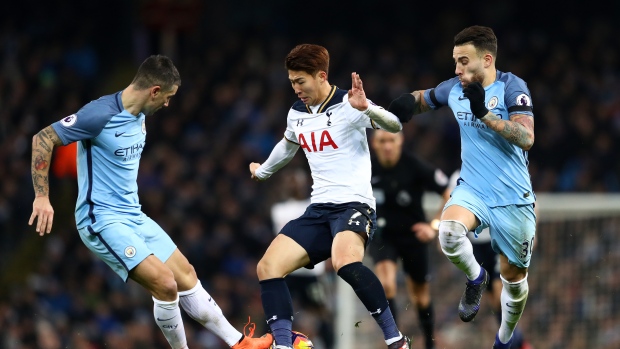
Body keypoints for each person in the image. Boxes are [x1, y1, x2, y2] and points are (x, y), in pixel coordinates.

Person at [28, 54, 273, 349]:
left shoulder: (141, 115)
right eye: (167, 97)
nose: (167, 104)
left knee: (186, 274)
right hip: (100, 219)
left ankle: (239, 343)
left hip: (133, 216)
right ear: (154, 91)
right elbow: (42, 138)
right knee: (165, 284)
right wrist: (42, 196)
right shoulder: (98, 114)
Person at [249, 44, 411, 349]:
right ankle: (283, 345)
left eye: (301, 82)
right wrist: (264, 172)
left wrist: (368, 108)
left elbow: (395, 125)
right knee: (267, 267)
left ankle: (396, 339)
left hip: (354, 205)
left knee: (344, 262)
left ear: (321, 76)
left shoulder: (349, 104)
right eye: (292, 83)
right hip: (319, 209)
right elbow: (288, 145)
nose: (296, 89)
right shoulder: (297, 113)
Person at [388, 25, 536, 349]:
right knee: (449, 232)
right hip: (473, 188)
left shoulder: (512, 87)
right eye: (455, 61)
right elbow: (424, 99)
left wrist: (484, 113)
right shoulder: (454, 88)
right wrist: (400, 106)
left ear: (486, 59)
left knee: (513, 278)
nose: (456, 69)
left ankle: (505, 338)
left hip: (513, 197)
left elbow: (527, 137)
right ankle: (476, 276)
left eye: (463, 61)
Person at [368, 129, 451, 349]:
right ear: (374, 143)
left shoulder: (414, 165)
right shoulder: (365, 168)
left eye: (391, 140)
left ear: (400, 141)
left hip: (413, 237)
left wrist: (434, 227)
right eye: (382, 141)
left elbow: (450, 194)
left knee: (420, 296)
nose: (387, 145)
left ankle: (429, 341)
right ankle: (395, 343)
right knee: (386, 285)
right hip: (382, 236)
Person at [447, 170, 533, 349]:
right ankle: (512, 339)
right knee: (494, 299)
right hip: (476, 243)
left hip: (499, 237)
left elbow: (530, 198)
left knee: (499, 288)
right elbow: (450, 205)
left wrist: (533, 231)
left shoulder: (504, 169)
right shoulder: (458, 177)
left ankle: (515, 341)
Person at [269, 168, 334, 349]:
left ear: (305, 183)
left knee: (322, 312)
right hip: (287, 272)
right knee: (277, 312)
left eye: (296, 180)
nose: (293, 185)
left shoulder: (314, 206)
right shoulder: (278, 210)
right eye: (290, 181)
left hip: (311, 272)